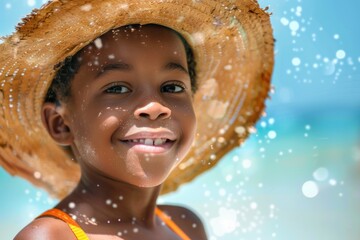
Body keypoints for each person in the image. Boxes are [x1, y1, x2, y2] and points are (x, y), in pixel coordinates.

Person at [0, 0, 274, 239]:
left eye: (172, 87)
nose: (156, 107)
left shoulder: (185, 226)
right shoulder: (51, 238)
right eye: (117, 88)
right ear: (61, 123)